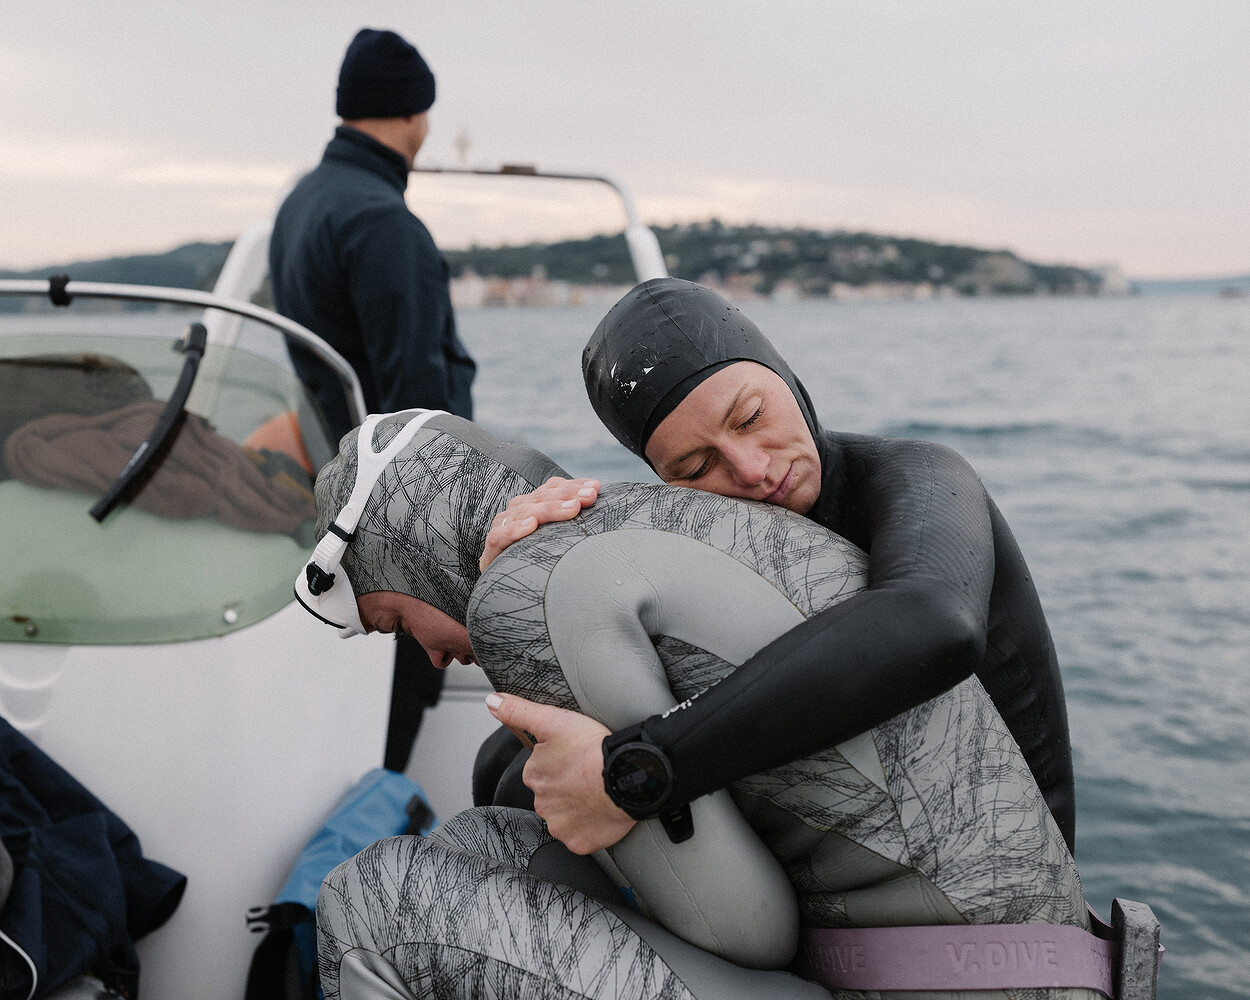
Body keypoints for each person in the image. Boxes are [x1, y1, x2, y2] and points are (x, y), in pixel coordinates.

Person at [295, 409, 1097, 1000]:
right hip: (1027, 960)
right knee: (481, 843)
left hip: (948, 985)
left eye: (397, 620)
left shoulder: (522, 592)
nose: (431, 654)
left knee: (373, 899)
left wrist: (623, 784)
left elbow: (744, 932)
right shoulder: (645, 522)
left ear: (414, 555)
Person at [478, 277, 1077, 859]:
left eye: (750, 418)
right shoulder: (708, 534)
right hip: (861, 833)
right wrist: (519, 573)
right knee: (501, 773)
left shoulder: (919, 477)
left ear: (792, 383)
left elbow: (936, 620)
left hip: (998, 869)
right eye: (694, 467)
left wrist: (641, 769)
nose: (750, 469)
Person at [269, 27, 477, 771]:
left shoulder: (303, 205)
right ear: (415, 115)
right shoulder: (384, 223)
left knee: (348, 721)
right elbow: (418, 410)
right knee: (398, 709)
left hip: (339, 499)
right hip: (392, 526)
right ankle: (357, 857)